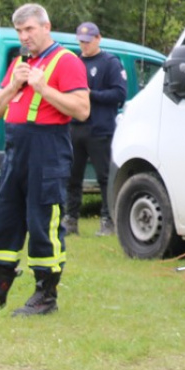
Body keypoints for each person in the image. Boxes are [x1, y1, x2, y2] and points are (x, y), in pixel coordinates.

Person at [0, 3, 90, 317]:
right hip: (16, 148)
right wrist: (15, 83)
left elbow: (82, 109)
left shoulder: (66, 61)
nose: (24, 36)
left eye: (29, 29)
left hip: (47, 148)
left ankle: (45, 296)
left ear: (46, 26)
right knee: (5, 218)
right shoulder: (19, 63)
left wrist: (42, 87)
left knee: (43, 223)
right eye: (19, 31)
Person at [63, 21, 127, 237]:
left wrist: (91, 94)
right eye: (81, 42)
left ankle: (108, 219)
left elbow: (119, 94)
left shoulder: (110, 62)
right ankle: (71, 218)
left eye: (88, 42)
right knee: (72, 176)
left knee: (105, 177)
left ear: (98, 39)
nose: (84, 46)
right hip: (76, 128)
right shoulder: (75, 62)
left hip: (100, 129)